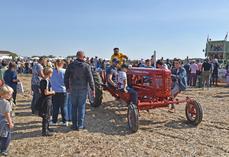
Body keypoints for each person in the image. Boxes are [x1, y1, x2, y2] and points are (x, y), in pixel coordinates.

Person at [64, 51, 95, 130]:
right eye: (84, 56)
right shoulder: (86, 66)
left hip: (73, 88)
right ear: (82, 56)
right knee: (81, 107)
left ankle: (74, 125)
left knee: (74, 107)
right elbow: (90, 78)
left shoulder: (71, 65)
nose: (85, 58)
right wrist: (92, 89)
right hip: (82, 89)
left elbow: (66, 77)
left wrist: (67, 87)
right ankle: (80, 125)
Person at [37, 67, 55, 136]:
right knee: (46, 115)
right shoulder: (46, 81)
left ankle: (47, 128)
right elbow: (46, 92)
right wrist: (52, 92)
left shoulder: (42, 80)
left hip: (44, 99)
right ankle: (45, 131)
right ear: (49, 73)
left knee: (48, 114)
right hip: (46, 99)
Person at [50, 60, 67, 126]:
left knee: (55, 107)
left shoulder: (52, 71)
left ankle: (54, 121)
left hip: (54, 91)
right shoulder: (64, 71)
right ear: (62, 64)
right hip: (63, 91)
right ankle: (64, 121)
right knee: (63, 107)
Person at [0, 85, 14, 156]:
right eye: (10, 94)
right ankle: (3, 149)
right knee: (6, 136)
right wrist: (10, 123)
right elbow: (7, 114)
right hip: (4, 122)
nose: (11, 95)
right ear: (5, 94)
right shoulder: (6, 103)